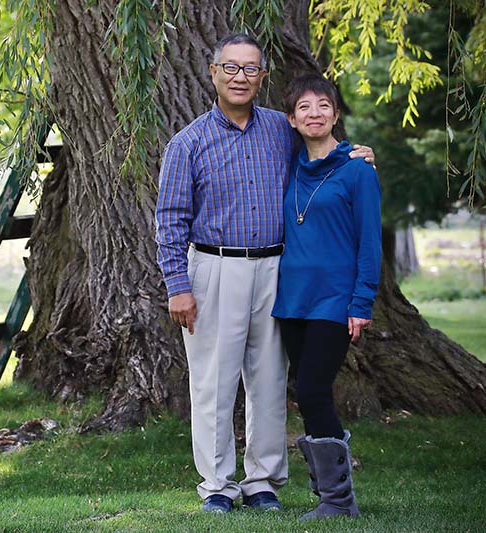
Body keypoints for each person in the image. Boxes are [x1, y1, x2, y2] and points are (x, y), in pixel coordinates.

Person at [155, 34, 374, 514]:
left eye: (250, 69)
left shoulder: (280, 128)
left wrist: (358, 153)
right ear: (213, 73)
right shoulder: (188, 142)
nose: (240, 77)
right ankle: (217, 485)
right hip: (214, 268)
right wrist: (178, 286)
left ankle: (263, 481)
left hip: (276, 270)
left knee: (270, 379)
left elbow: (324, 150)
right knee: (214, 381)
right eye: (230, 68)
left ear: (262, 76)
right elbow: (169, 219)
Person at [272, 74, 382, 520]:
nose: (314, 114)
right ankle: (328, 496)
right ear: (291, 120)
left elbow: (370, 243)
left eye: (323, 106)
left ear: (336, 115)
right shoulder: (289, 165)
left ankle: (338, 502)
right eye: (304, 107)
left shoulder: (358, 169)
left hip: (334, 300)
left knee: (315, 389)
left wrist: (362, 303)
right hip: (291, 300)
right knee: (306, 390)